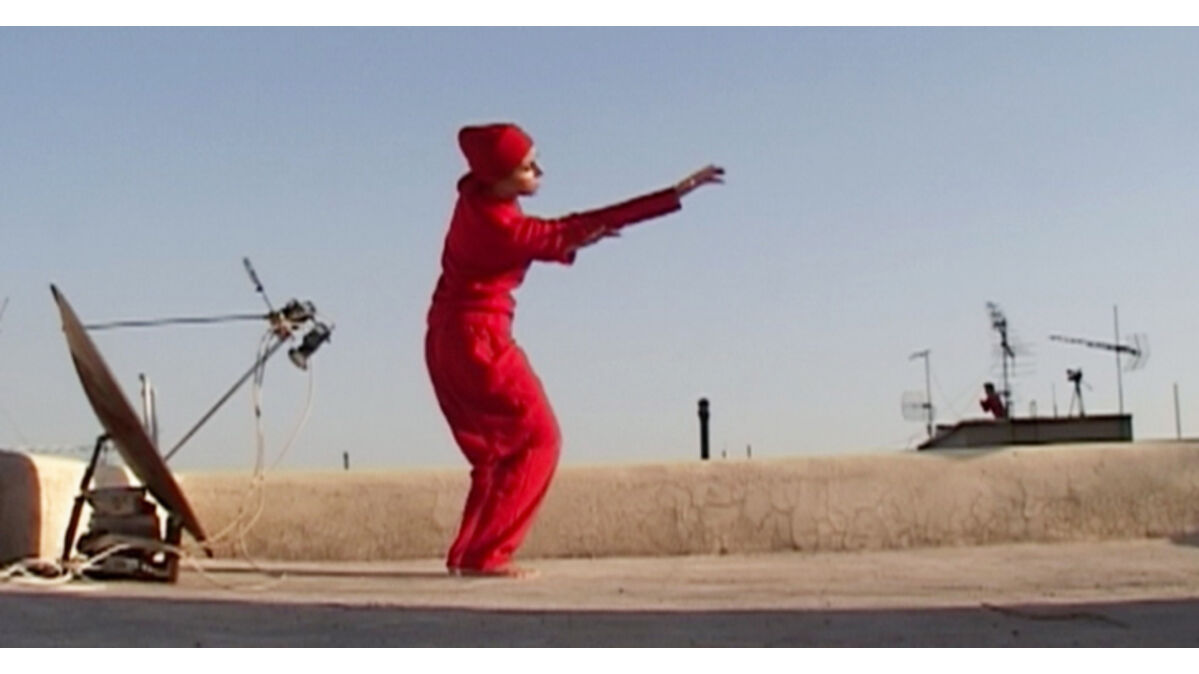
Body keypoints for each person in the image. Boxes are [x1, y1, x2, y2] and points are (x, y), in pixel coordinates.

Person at [425, 122, 723, 577]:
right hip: (477, 342)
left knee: (494, 454)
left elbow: (566, 231)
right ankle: (488, 555)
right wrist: (671, 195)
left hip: (443, 339)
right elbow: (570, 228)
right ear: (499, 176)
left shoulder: (474, 200)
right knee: (540, 440)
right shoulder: (502, 227)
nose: (538, 172)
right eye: (527, 168)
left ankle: (468, 553)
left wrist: (583, 233)